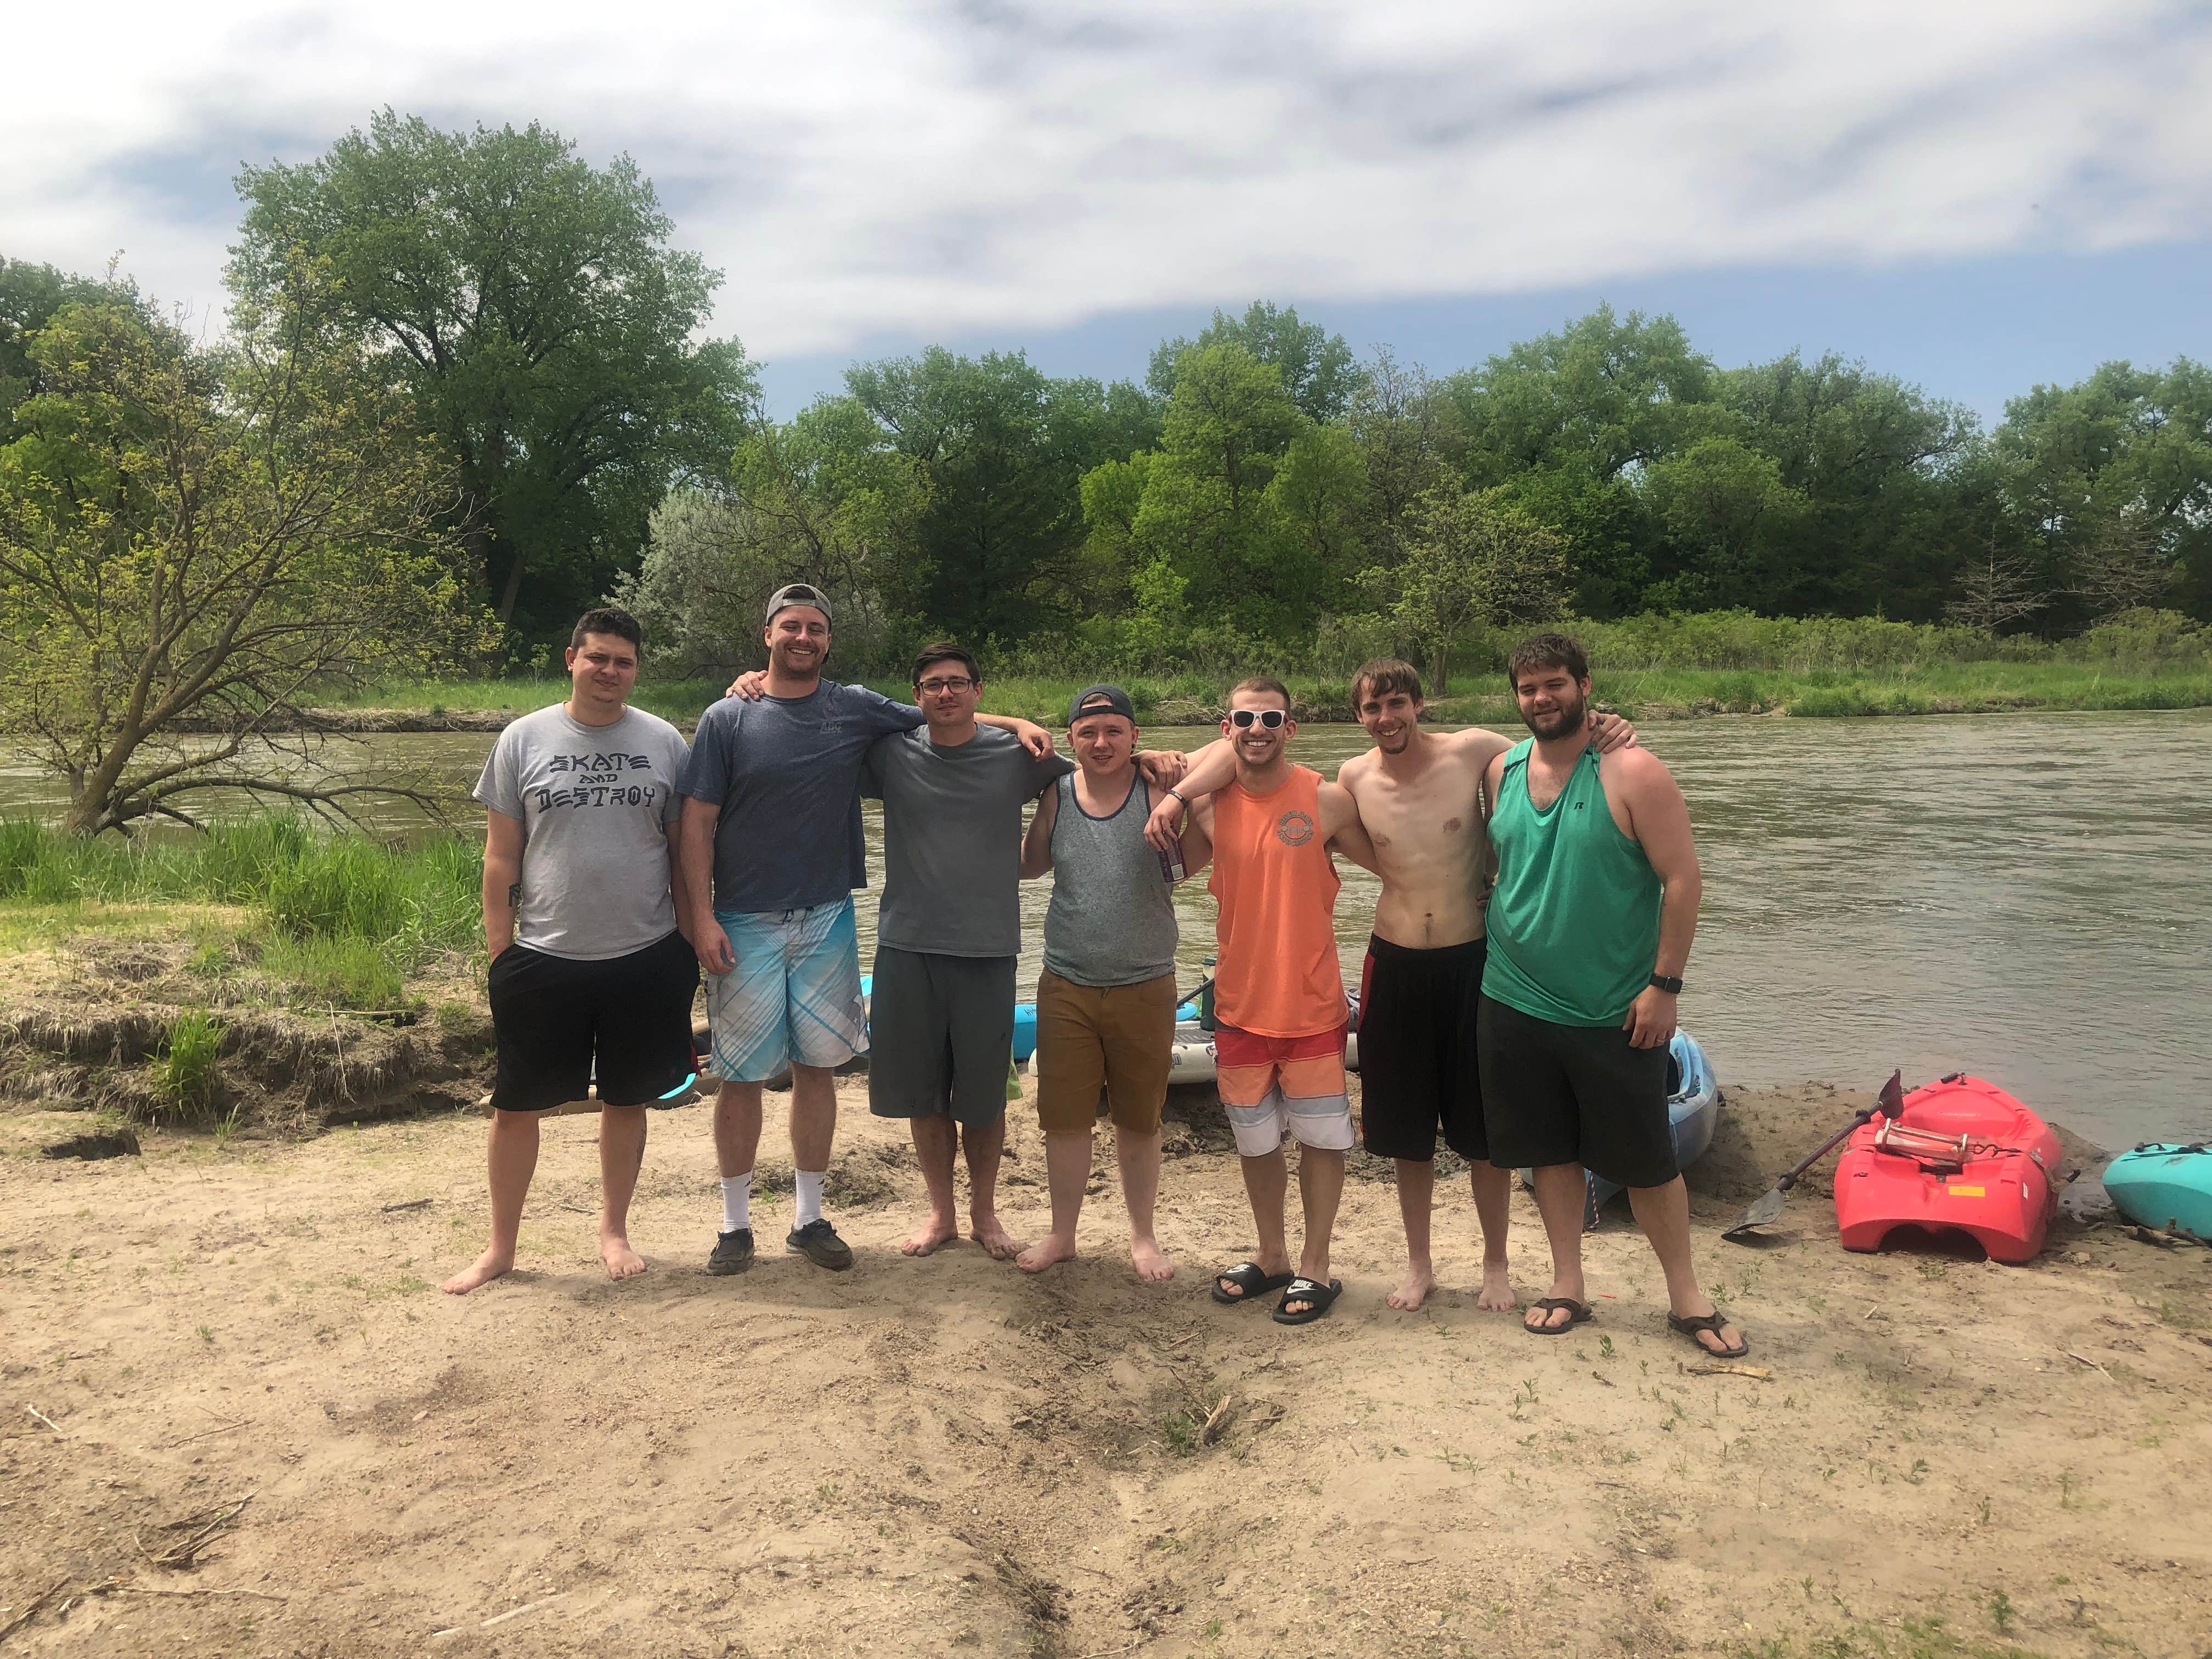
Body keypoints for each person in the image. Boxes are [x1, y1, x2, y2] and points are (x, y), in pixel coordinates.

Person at [1146, 662, 1636, 1313]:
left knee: (1483, 1132)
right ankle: (1416, 1266)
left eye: (1397, 703)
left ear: (1418, 703)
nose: (1387, 717)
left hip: (1471, 959)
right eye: (1374, 708)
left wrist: (1599, 726)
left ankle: (1495, 1265)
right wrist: (1170, 785)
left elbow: (1548, 745)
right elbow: (1227, 764)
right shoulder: (1351, 780)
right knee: (1405, 1132)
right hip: (1393, 962)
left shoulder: (1469, 752)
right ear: (1358, 717)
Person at [679, 586, 1052, 1276]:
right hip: (745, 917)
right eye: (791, 626)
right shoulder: (729, 716)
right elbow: (696, 820)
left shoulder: (852, 707)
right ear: (767, 634)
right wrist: (699, 917)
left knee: (818, 1069)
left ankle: (809, 1219)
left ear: (828, 639)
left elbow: (951, 714)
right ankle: (734, 1226)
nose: (804, 637)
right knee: (741, 1076)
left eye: (816, 628)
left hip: (829, 915)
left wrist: (1028, 723)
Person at [1478, 632, 1745, 1357]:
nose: (1542, 698)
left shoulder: (1634, 770)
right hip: (1511, 997)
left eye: (1555, 684)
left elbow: (1683, 881)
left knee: (1648, 1160)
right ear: (1516, 697)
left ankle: (1686, 1296)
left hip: (1614, 1007)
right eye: (1528, 688)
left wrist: (1665, 986)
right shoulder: (1501, 769)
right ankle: (1567, 1283)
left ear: (1585, 687)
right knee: (1548, 1152)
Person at [444, 606, 699, 1295]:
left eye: (624, 662)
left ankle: (614, 1230)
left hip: (645, 952)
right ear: (571, 659)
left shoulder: (665, 742)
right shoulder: (522, 739)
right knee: (515, 1106)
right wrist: (501, 951)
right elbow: (501, 856)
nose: (610, 671)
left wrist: (689, 939)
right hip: (543, 955)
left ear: (636, 669)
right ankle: (501, 1247)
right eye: (598, 658)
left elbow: (683, 854)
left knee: (626, 1100)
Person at [1158, 677, 1377, 1325]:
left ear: (1292, 728)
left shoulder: (1328, 801)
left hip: (1312, 1007)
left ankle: (1317, 1265)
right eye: (1245, 719)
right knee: (1255, 1144)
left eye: (1271, 718)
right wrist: (1168, 791)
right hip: (1238, 1007)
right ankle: (1272, 1255)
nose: (1258, 729)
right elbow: (1165, 873)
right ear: (1226, 728)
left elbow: (1400, 866)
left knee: (1322, 1141)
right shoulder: (1206, 807)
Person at [861, 644, 1075, 1259]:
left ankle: (984, 1213)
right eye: (933, 685)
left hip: (988, 948)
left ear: (979, 692)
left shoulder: (1018, 755)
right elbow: (819, 735)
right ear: (917, 696)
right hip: (906, 944)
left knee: (983, 1098)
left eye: (958, 683)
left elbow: (1093, 768)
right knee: (923, 1095)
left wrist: (1155, 764)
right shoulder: (890, 753)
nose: (946, 693)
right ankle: (942, 1214)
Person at [1013, 685, 1184, 1283]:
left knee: (1140, 1120)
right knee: (1063, 1121)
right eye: (1088, 733)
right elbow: (1030, 866)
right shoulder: (1057, 793)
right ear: (1071, 740)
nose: (1102, 743)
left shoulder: (1161, 789)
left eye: (1115, 731)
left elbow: (1231, 754)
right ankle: (1063, 1234)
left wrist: (1169, 773)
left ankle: (1143, 1236)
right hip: (1067, 982)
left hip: (1147, 981)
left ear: (1135, 736)